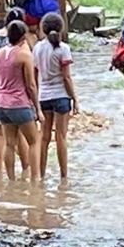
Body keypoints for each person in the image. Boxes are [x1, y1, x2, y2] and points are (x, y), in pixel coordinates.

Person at [0, 20, 42, 182]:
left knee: (9, 143)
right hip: (19, 103)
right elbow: (31, 85)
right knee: (34, 142)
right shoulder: (24, 55)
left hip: (2, 103)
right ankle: (35, 179)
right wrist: (38, 109)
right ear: (23, 36)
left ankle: (11, 180)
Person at [34, 12, 79, 181]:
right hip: (61, 96)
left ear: (43, 29)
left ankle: (42, 174)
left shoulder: (37, 48)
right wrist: (74, 98)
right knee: (61, 136)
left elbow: (35, 73)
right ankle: (64, 176)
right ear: (61, 28)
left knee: (44, 137)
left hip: (44, 96)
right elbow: (66, 77)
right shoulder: (63, 49)